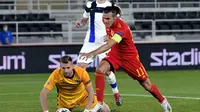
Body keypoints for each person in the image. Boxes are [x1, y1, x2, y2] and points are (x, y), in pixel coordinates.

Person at [80, 6, 172, 112]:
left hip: (129, 58)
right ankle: (99, 103)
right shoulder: (107, 20)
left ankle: (163, 101)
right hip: (115, 54)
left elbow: (108, 45)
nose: (105, 21)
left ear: (115, 18)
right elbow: (111, 40)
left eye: (108, 19)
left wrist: (91, 53)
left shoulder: (122, 28)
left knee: (146, 85)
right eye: (104, 18)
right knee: (100, 69)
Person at [76, 0, 122, 106]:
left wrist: (111, 34)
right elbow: (84, 19)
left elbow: (119, 24)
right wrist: (80, 23)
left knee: (106, 71)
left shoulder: (111, 6)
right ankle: (88, 96)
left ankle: (116, 92)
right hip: (90, 42)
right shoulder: (90, 5)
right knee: (80, 69)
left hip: (105, 42)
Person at [40, 56, 110, 112]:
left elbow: (90, 91)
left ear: (73, 66)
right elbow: (43, 94)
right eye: (63, 68)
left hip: (83, 96)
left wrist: (87, 110)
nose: (66, 70)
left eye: (68, 67)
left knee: (106, 110)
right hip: (65, 101)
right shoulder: (56, 74)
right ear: (60, 67)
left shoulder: (81, 72)